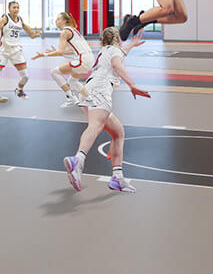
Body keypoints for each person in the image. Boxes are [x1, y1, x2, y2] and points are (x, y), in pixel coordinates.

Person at [63, 26, 150, 193]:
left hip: (88, 90)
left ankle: (117, 177)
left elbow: (120, 53)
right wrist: (132, 85)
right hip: (100, 90)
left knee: (118, 132)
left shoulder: (105, 50)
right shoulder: (115, 52)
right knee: (95, 125)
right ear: (118, 39)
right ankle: (77, 160)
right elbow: (117, 64)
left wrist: (131, 45)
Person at [32, 12, 93, 110]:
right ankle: (90, 100)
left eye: (58, 19)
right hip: (89, 58)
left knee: (54, 72)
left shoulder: (64, 32)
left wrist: (44, 54)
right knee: (72, 81)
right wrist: (56, 51)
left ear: (64, 21)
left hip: (82, 59)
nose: (56, 21)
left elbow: (60, 52)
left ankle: (71, 98)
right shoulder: (73, 30)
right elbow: (70, 50)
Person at [0, 0, 41, 99]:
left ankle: (19, 90)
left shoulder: (20, 19)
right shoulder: (4, 18)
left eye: (17, 7)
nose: (16, 9)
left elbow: (31, 34)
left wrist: (36, 34)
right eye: (14, 7)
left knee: (25, 76)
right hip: (3, 50)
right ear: (9, 9)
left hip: (16, 51)